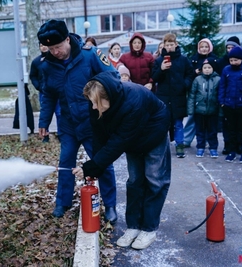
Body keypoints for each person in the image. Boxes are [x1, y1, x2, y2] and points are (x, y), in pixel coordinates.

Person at [72, 71, 171, 250]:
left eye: (96, 103)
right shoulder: (96, 103)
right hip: (133, 138)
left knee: (155, 180)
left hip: (154, 132)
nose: (93, 107)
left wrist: (93, 166)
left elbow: (118, 141)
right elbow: (99, 137)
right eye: (91, 102)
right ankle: (133, 227)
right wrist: (94, 168)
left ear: (108, 97)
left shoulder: (134, 101)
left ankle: (149, 228)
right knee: (134, 181)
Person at [36, 19, 118, 222]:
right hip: (68, 124)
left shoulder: (89, 55)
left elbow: (113, 77)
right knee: (65, 164)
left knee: (102, 162)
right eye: (50, 48)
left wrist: (103, 104)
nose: (55, 52)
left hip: (93, 123)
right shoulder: (47, 65)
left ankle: (110, 205)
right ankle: (62, 202)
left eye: (58, 46)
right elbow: (48, 95)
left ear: (67, 39)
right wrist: (43, 122)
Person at [152, 33, 195, 158]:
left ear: (176, 44)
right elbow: (154, 78)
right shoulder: (159, 60)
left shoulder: (183, 59)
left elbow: (190, 74)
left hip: (178, 96)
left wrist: (184, 85)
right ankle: (163, 147)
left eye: (171, 45)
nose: (169, 47)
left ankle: (179, 146)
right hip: (163, 97)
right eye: (167, 45)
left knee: (178, 124)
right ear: (163, 46)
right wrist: (161, 68)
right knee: (163, 123)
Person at [218, 46, 242, 163]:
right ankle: (232, 151)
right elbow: (222, 86)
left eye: (236, 60)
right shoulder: (226, 70)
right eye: (231, 60)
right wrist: (222, 102)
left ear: (241, 59)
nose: (233, 63)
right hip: (229, 105)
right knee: (231, 130)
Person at [215, 36, 242, 155]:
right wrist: (222, 102)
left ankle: (241, 147)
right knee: (229, 127)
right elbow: (222, 85)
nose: (230, 50)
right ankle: (229, 146)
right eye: (228, 47)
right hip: (229, 102)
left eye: (232, 47)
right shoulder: (225, 67)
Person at [184, 38, 219, 148]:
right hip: (197, 93)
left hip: (210, 96)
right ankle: (186, 139)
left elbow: (217, 74)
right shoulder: (194, 59)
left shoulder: (214, 59)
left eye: (206, 47)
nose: (204, 49)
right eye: (202, 47)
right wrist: (195, 72)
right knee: (192, 118)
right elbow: (189, 73)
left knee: (209, 122)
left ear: (210, 48)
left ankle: (208, 142)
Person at [187, 59, 220, 158]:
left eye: (209, 67)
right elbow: (192, 94)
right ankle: (200, 147)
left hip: (213, 110)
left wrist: (221, 110)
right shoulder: (197, 79)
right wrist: (191, 109)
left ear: (213, 69)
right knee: (200, 130)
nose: (207, 70)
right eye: (205, 68)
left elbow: (220, 94)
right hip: (199, 111)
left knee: (212, 131)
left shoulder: (218, 79)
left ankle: (213, 148)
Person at [29, 42, 61, 142]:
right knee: (45, 113)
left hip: (58, 92)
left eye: (45, 45)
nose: (43, 47)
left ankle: (61, 134)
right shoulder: (36, 62)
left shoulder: (57, 59)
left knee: (60, 113)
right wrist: (38, 86)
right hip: (44, 92)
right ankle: (45, 134)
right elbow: (32, 75)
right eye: (41, 45)